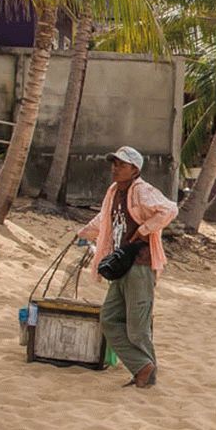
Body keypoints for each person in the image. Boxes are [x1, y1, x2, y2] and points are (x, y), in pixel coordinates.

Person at [78, 146, 178, 389]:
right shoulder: (114, 191)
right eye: (114, 164)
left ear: (135, 169)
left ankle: (146, 376)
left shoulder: (142, 190)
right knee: (110, 319)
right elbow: (104, 220)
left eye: (121, 165)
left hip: (140, 264)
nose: (116, 168)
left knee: (138, 326)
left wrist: (144, 230)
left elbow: (169, 209)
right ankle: (142, 366)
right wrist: (82, 233)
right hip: (120, 264)